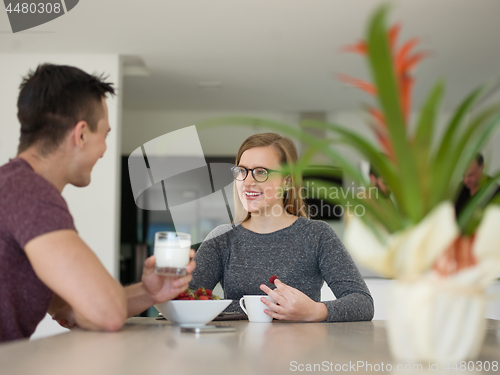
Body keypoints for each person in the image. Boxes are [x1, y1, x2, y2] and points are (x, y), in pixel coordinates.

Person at [0, 64, 195, 342]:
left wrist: (149, 292)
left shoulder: (13, 186)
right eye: (104, 134)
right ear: (80, 134)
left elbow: (72, 307)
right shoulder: (29, 193)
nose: (104, 149)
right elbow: (107, 312)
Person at [189, 133, 374, 322]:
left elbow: (362, 303)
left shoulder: (317, 234)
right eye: (242, 171)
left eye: (261, 172)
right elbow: (187, 301)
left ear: (287, 180)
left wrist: (315, 311)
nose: (247, 182)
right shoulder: (222, 238)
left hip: (302, 349)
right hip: (238, 348)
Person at [455, 153, 500, 218]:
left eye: (470, 175)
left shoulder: (496, 193)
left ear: (482, 168)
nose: (465, 180)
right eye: (464, 176)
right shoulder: (458, 190)